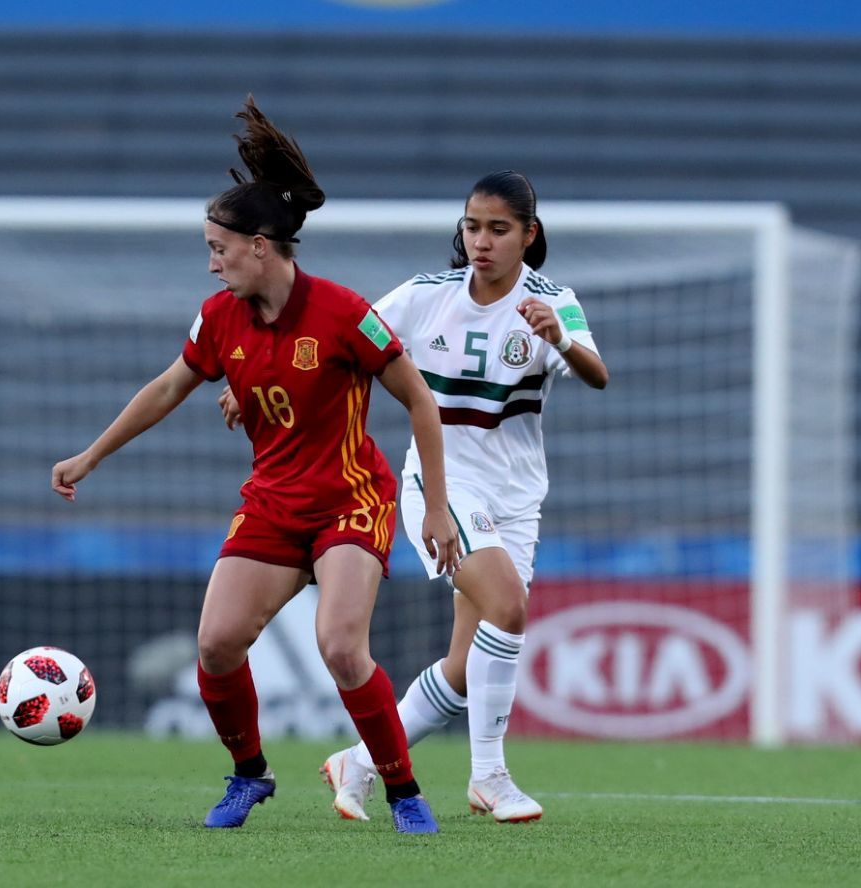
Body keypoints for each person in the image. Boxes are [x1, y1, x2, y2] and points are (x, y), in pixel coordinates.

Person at [51, 97, 462, 834]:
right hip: (274, 501)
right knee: (214, 644)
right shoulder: (219, 318)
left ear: (263, 247)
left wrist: (434, 507)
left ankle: (403, 792)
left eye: (220, 247)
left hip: (350, 498)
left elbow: (420, 402)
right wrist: (91, 455)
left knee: (340, 645)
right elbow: (169, 387)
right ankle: (249, 775)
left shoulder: (342, 313)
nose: (212, 262)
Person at [221, 170, 609, 824]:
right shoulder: (427, 295)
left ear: (528, 235)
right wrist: (259, 377)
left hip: (517, 496)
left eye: (498, 229)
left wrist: (560, 338)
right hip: (443, 481)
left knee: (464, 667)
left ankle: (360, 762)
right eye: (472, 226)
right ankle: (490, 777)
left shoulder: (551, 300)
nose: (481, 241)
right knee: (508, 608)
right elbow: (340, 335)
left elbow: (596, 373)